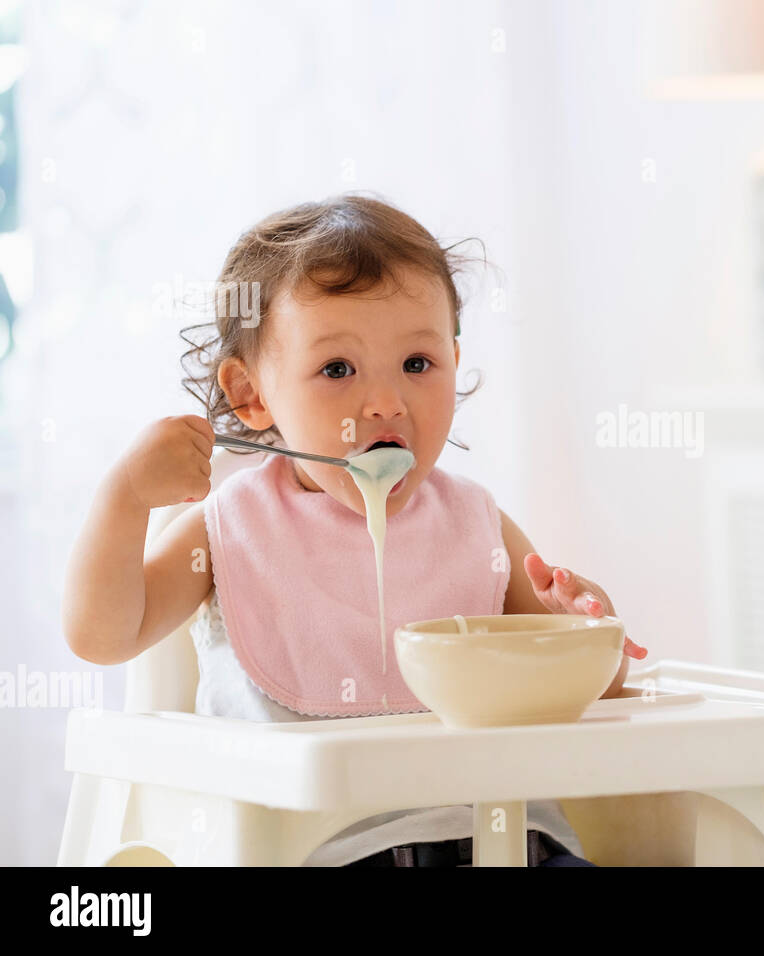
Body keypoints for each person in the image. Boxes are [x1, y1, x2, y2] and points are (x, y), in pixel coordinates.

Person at [62, 194, 647, 867]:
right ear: (251, 394)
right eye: (338, 370)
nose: (386, 401)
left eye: (418, 364)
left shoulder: (476, 524)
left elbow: (596, 691)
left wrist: (578, 624)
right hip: (313, 854)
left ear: (454, 364)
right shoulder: (229, 529)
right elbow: (101, 636)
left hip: (508, 845)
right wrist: (124, 497)